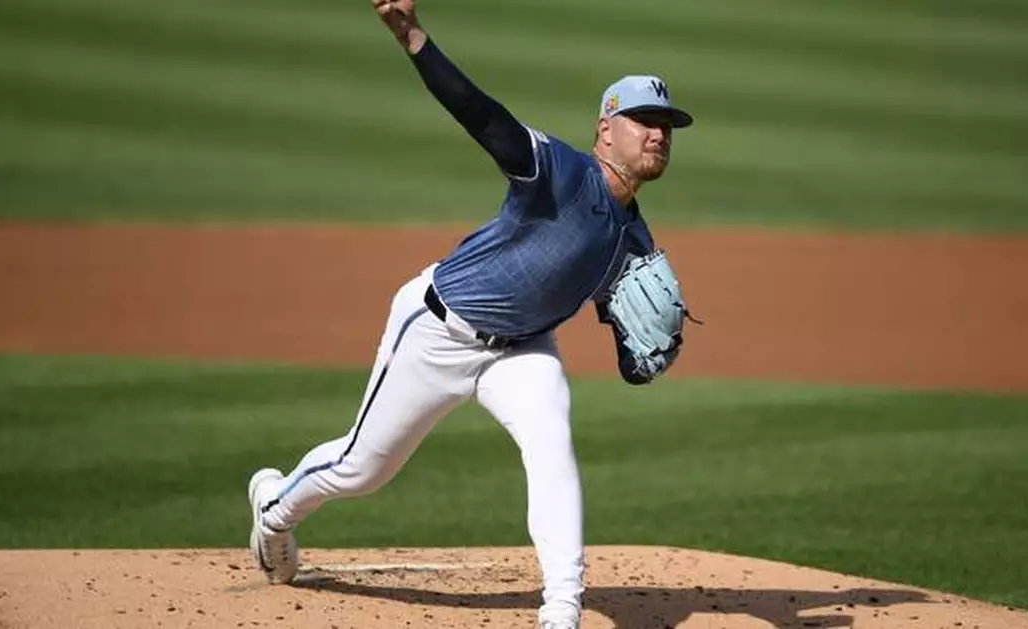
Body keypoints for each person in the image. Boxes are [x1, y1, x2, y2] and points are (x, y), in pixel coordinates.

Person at [246, 1, 695, 627]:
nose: (658, 134)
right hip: (436, 329)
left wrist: (643, 362)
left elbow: (628, 350)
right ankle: (273, 510)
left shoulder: (635, 240)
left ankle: (561, 611)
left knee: (552, 445)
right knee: (363, 468)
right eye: (645, 120)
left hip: (521, 350)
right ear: (605, 128)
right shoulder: (559, 171)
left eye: (667, 126)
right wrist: (413, 37)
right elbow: (484, 118)